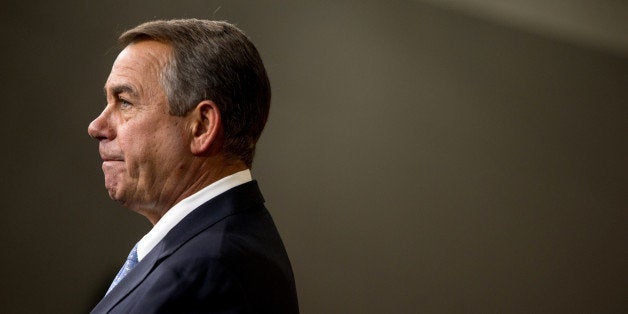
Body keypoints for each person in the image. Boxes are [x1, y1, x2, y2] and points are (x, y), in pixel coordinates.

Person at [87, 19, 298, 313]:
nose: (96, 126)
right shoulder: (206, 249)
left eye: (124, 102)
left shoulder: (211, 270)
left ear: (201, 127)